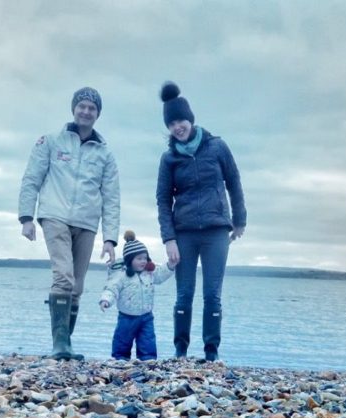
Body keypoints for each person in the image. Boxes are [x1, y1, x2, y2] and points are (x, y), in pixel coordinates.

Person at [19, 86, 120, 360]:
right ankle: (59, 345)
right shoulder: (51, 142)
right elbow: (32, 178)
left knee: (77, 286)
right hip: (55, 216)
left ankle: (67, 346)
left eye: (92, 108)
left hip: (87, 223)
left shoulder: (105, 154)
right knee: (63, 277)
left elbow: (111, 197)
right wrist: (26, 217)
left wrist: (110, 238)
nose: (86, 111)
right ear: (74, 109)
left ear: (97, 114)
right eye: (82, 106)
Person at [156, 81, 246, 362]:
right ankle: (180, 350)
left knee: (212, 294)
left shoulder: (217, 147)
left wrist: (239, 220)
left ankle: (211, 351)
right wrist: (169, 238)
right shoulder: (169, 158)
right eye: (171, 124)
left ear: (190, 119)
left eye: (180, 120)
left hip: (216, 231)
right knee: (184, 294)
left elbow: (233, 182)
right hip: (183, 233)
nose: (177, 127)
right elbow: (162, 200)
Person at [99, 231, 175, 361]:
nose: (143, 261)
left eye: (145, 258)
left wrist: (170, 266)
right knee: (122, 340)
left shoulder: (149, 273)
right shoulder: (121, 275)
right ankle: (120, 359)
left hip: (146, 316)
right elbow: (112, 288)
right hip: (126, 317)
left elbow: (161, 274)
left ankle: (148, 359)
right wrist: (106, 300)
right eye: (139, 258)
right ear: (129, 260)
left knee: (148, 340)